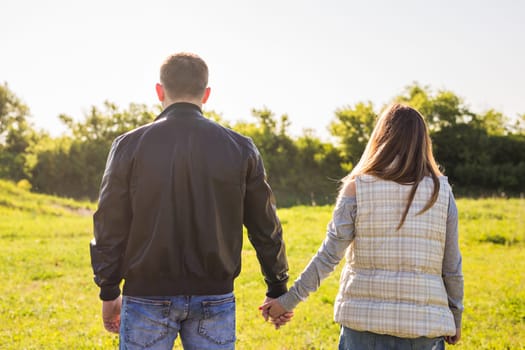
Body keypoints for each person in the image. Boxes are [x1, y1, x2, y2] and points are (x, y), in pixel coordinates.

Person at [90, 52, 291, 349]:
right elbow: (266, 226)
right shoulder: (240, 148)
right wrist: (277, 287)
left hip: (146, 295)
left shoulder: (129, 145)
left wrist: (108, 290)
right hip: (215, 295)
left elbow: (109, 222)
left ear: (159, 91)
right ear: (206, 94)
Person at [260, 103, 464, 349]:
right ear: (423, 142)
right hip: (424, 330)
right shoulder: (442, 192)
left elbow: (328, 257)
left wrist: (287, 301)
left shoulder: (358, 187)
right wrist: (455, 316)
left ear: (381, 137)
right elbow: (451, 267)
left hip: (363, 327)